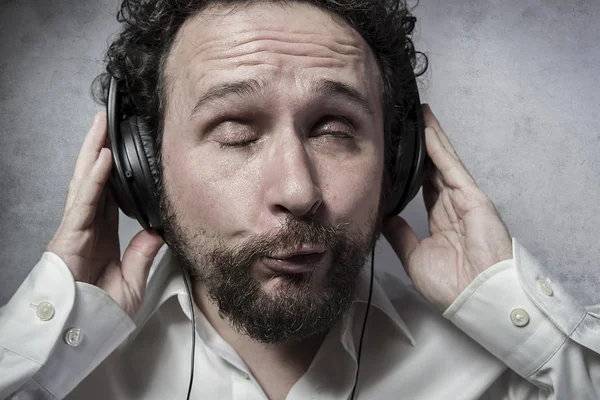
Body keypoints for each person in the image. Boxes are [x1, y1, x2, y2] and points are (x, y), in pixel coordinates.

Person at [1, 0, 598, 398]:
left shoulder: (513, 371)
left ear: (398, 164)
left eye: (335, 130)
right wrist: (49, 331)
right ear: (143, 167)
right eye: (235, 132)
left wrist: (519, 310)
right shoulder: (60, 372)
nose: (298, 191)